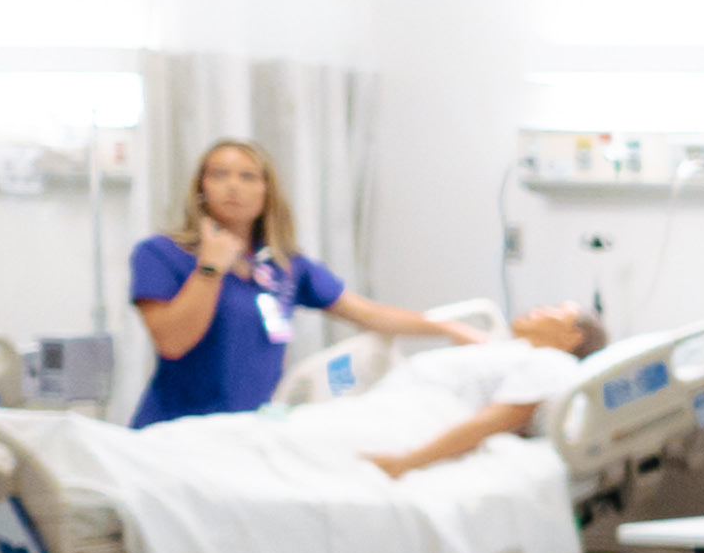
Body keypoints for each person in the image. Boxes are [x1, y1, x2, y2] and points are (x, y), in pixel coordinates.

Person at [129, 138, 478, 426]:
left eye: (248, 176)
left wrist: (447, 328)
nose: (233, 185)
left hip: (249, 432)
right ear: (201, 188)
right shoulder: (161, 254)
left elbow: (368, 313)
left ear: (266, 192)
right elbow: (172, 342)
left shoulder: (285, 266)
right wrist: (210, 267)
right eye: (219, 175)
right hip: (175, 432)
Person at [354, 304, 609, 480]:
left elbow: (497, 419)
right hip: (394, 402)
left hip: (414, 414)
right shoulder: (517, 352)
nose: (538, 309)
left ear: (572, 337)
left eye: (555, 309)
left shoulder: (552, 362)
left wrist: (407, 462)